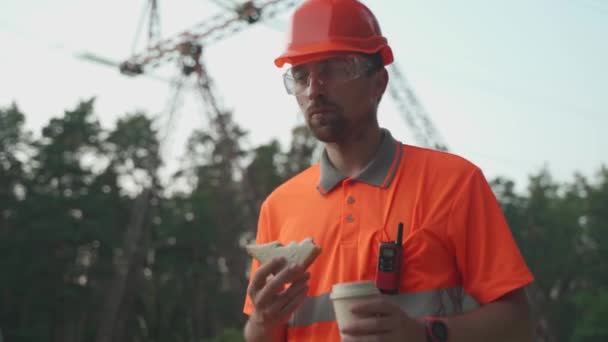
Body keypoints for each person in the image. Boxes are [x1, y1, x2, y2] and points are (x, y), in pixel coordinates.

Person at [242, 0, 535, 341]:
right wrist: (262, 322)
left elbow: (517, 323)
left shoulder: (453, 183)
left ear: (378, 83)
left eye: (335, 68)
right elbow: (260, 336)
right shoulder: (278, 207)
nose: (314, 89)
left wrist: (424, 334)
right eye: (301, 75)